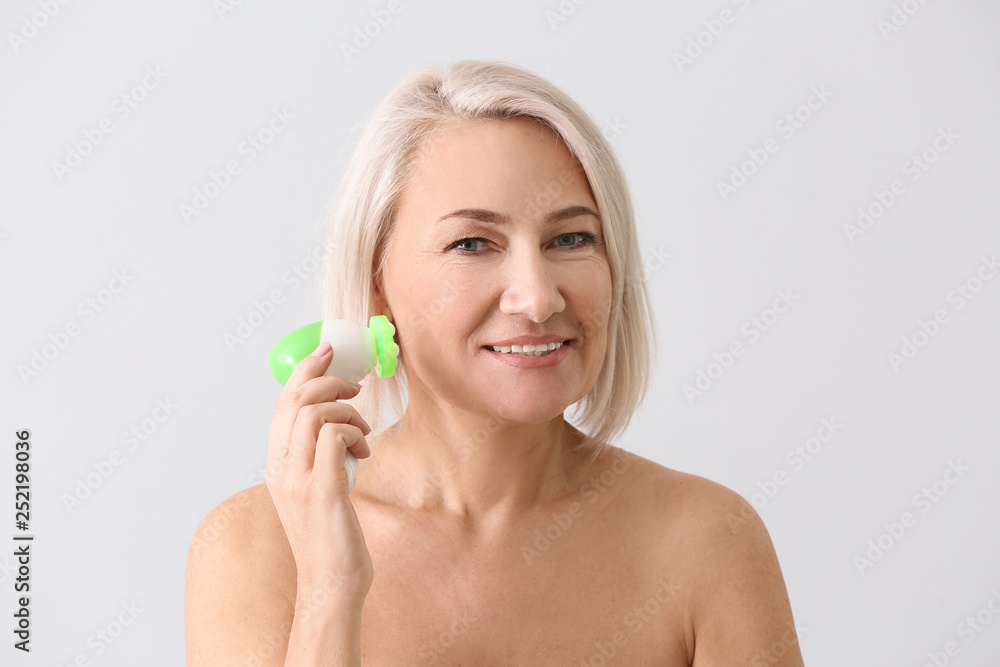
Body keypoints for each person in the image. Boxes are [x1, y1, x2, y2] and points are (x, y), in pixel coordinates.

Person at [185, 59, 805, 666]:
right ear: (377, 286)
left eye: (571, 239)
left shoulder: (707, 542)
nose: (537, 298)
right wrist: (330, 591)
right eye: (472, 243)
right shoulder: (252, 550)